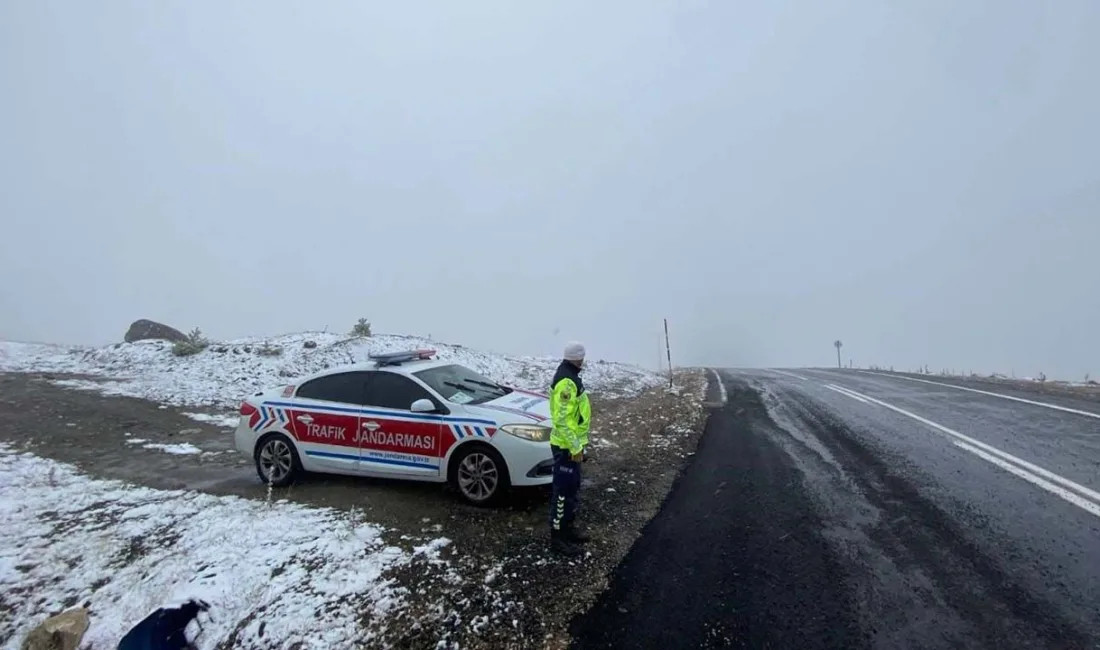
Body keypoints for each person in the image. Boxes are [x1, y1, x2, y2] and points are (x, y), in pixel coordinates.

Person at [548, 340, 592, 556]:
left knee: (572, 490)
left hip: (572, 446)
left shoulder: (570, 375)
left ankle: (569, 528)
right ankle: (558, 536)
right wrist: (575, 447)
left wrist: (580, 446)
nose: (584, 360)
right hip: (566, 448)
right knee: (563, 493)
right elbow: (562, 420)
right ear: (578, 357)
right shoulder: (567, 381)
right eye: (582, 356)